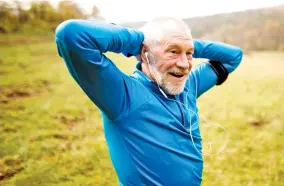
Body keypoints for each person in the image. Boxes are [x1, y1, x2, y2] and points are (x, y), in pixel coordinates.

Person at [55, 17, 243, 186]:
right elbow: (71, 34)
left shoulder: (187, 86)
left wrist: (184, 44)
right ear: (145, 52)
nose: (185, 64)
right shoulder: (123, 96)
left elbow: (234, 56)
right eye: (173, 52)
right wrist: (140, 41)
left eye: (189, 54)